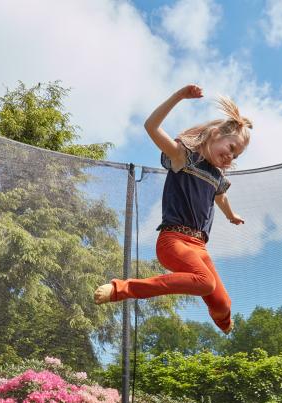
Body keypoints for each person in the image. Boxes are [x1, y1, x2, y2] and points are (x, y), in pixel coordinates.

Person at [94, 84, 252, 334]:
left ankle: (223, 321)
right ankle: (121, 289)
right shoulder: (183, 157)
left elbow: (220, 197)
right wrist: (179, 96)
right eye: (231, 148)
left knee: (222, 303)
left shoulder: (217, 177)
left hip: (199, 247)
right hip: (173, 241)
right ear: (215, 134)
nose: (230, 157)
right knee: (204, 282)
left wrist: (231, 215)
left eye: (236, 156)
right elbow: (151, 127)